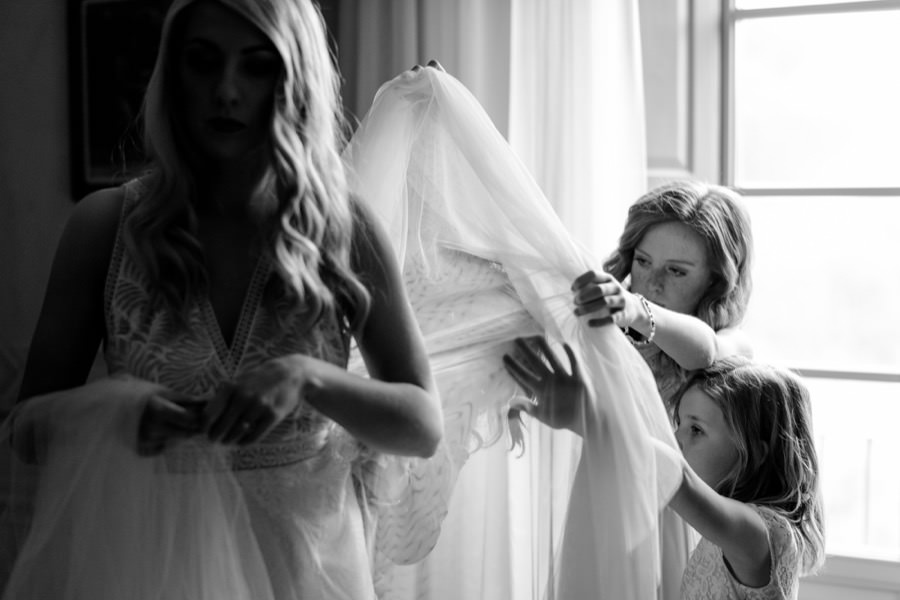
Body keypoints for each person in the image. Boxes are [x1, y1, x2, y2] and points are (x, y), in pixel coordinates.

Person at [2, 1, 441, 598]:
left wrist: (309, 378)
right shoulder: (104, 227)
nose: (226, 91)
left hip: (310, 577)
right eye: (202, 63)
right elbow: (25, 432)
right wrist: (115, 411)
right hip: (150, 572)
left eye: (257, 66)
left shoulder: (344, 229)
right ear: (172, 75)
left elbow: (422, 425)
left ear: (295, 80)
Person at [569, 181, 755, 408]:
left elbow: (706, 351)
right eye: (643, 261)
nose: (652, 283)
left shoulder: (734, 343)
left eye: (676, 271)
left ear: (716, 280)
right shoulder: (610, 331)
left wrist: (637, 309)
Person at [671, 356, 824, 598]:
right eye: (678, 423)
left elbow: (675, 481)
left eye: (696, 430)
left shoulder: (758, 531)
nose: (675, 439)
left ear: (753, 453)